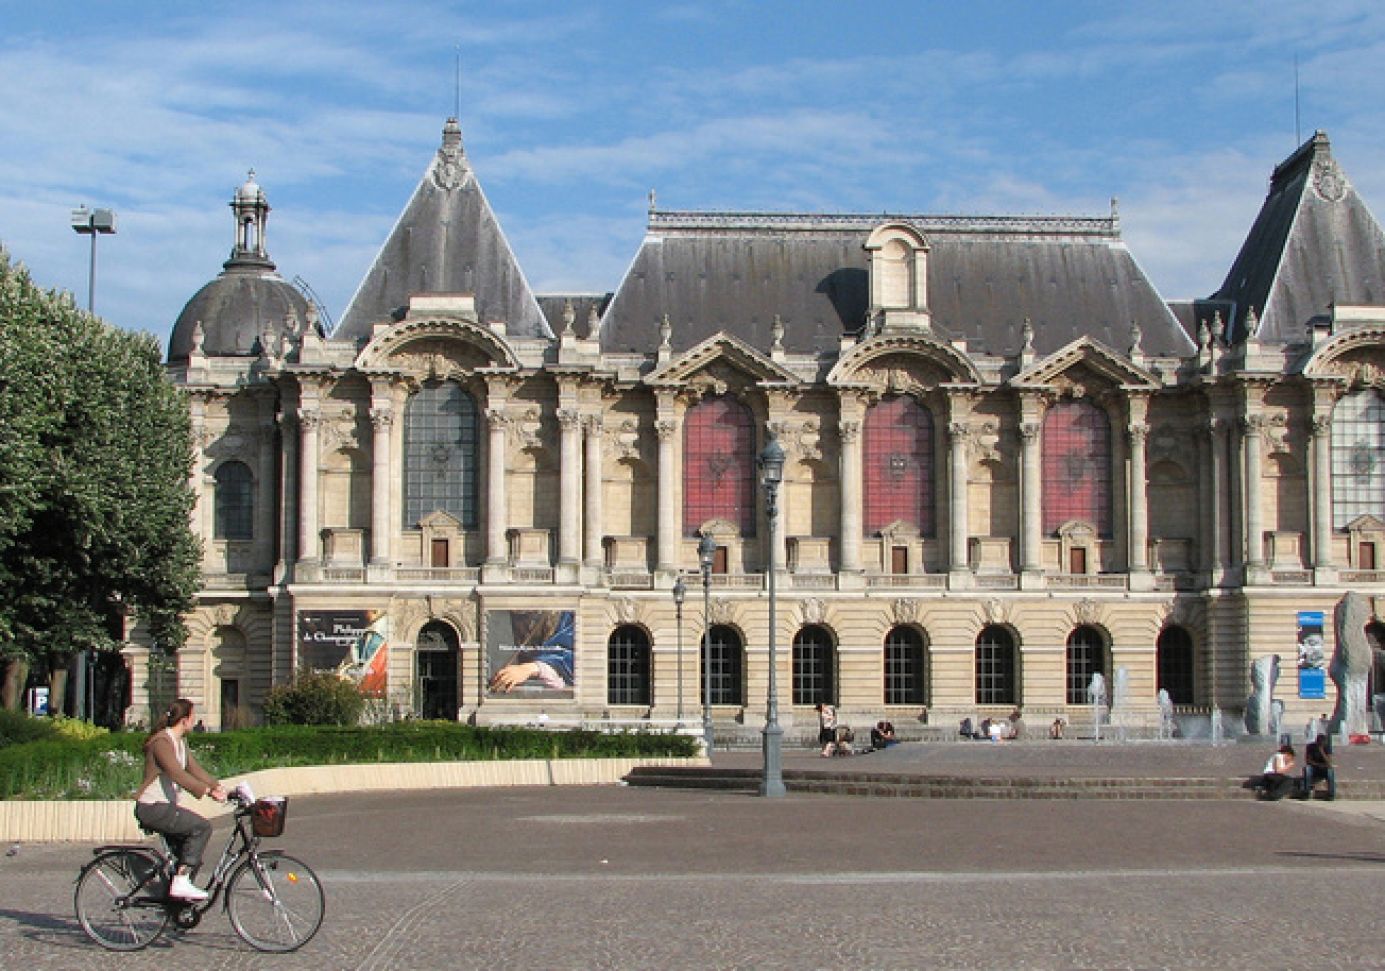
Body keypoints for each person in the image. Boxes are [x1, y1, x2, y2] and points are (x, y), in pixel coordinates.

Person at [135, 698, 227, 901]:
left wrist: (217, 786)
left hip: (165, 806)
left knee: (190, 856)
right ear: (184, 720)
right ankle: (180, 883)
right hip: (152, 807)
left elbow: (193, 769)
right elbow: (176, 773)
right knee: (201, 828)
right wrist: (207, 791)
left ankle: (175, 903)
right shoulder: (161, 742)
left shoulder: (180, 742)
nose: (195, 721)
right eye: (193, 717)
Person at [1302, 733, 1336, 800]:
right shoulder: (1310, 747)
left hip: (1324, 768)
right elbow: (1308, 761)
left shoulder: (1327, 747)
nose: (1320, 744)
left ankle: (1331, 794)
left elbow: (1329, 763)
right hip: (1314, 767)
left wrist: (1322, 751)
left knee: (1330, 771)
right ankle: (1306, 792)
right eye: (1319, 742)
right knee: (1307, 769)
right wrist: (1318, 765)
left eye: (1322, 743)